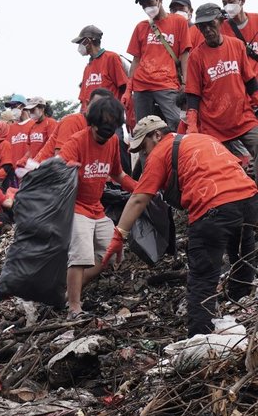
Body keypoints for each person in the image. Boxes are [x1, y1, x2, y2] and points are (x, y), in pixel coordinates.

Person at [101, 116, 258, 336]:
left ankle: (199, 337)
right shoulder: (203, 139)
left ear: (157, 135)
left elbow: (138, 199)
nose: (144, 154)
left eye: (143, 147)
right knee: (241, 256)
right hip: (248, 201)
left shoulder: (160, 152)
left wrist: (118, 237)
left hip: (212, 208)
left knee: (202, 277)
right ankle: (240, 308)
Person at [58, 96, 136, 319]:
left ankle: (62, 291)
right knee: (80, 256)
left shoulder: (112, 142)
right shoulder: (76, 142)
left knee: (109, 255)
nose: (104, 139)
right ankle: (74, 307)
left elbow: (117, 173)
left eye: (109, 133)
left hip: (97, 208)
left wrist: (139, 188)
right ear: (91, 125)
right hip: (76, 208)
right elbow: (58, 170)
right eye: (100, 133)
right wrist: (67, 168)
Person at [185, 3, 258, 180]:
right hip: (214, 125)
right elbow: (193, 95)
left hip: (242, 118)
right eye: (202, 26)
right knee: (220, 169)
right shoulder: (196, 56)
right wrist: (192, 126)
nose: (207, 29)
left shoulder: (237, 46)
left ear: (221, 21)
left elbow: (250, 81)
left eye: (211, 24)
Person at [126, 0, 191, 129]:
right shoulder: (141, 27)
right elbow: (136, 60)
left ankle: (178, 151)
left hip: (166, 83)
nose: (147, 7)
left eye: (149, 2)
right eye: (143, 4)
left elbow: (184, 54)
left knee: (176, 122)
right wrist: (128, 89)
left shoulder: (179, 22)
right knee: (143, 129)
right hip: (141, 85)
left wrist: (185, 83)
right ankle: (148, 153)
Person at [71, 24, 128, 110]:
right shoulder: (87, 67)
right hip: (91, 117)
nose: (79, 46)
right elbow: (83, 99)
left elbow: (124, 87)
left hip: (109, 113)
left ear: (88, 41)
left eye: (80, 43)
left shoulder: (111, 58)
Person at [221, 0, 258, 76]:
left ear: (242, 1)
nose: (227, 6)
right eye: (224, 3)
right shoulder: (221, 29)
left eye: (231, 2)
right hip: (239, 86)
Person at [5, 94, 34, 173]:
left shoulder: (34, 125)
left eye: (14, 107)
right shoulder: (10, 128)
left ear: (23, 107)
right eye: (11, 107)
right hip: (15, 171)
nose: (12, 110)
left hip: (31, 170)